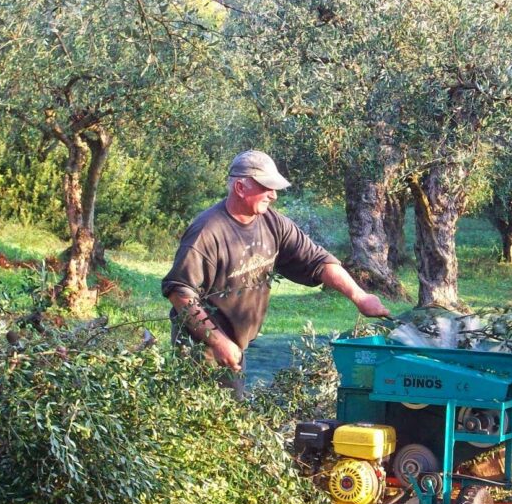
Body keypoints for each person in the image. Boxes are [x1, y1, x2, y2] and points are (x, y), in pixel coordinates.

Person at [161, 150, 390, 399]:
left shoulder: (273, 223)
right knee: (209, 426)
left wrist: (359, 296)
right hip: (202, 349)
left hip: (235, 345)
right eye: (266, 187)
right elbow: (180, 293)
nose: (273, 194)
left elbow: (318, 261)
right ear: (240, 187)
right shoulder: (207, 232)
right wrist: (217, 342)